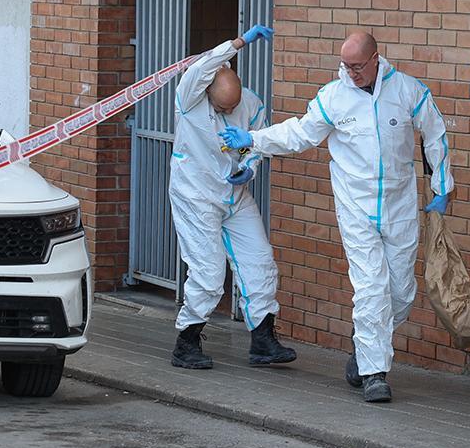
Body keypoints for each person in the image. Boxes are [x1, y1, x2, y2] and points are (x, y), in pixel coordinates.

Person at [220, 31, 453, 402]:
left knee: (401, 293)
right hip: (356, 208)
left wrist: (442, 188)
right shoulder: (334, 97)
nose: (351, 72)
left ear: (377, 59)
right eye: (346, 65)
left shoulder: (407, 91)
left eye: (358, 66)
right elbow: (299, 133)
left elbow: (436, 133)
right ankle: (375, 373)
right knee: (372, 288)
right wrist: (252, 139)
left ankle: (364, 348)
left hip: (400, 207)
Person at [169, 24, 297, 370]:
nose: (229, 112)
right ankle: (187, 340)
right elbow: (203, 65)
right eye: (222, 107)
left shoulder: (250, 103)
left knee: (260, 261)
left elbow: (259, 142)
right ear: (209, 91)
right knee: (209, 273)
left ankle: (263, 340)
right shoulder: (190, 96)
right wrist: (239, 43)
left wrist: (251, 168)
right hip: (196, 194)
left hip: (235, 193)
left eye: (233, 106)